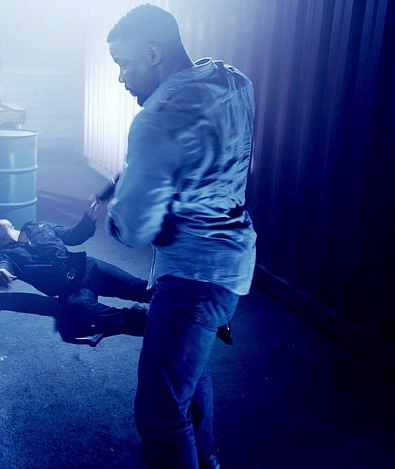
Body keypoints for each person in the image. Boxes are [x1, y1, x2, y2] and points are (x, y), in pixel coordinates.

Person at [103, 4, 257, 469]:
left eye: (124, 64)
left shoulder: (155, 118)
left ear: (154, 53)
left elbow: (134, 228)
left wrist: (113, 210)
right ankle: (206, 459)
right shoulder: (234, 82)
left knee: (159, 410)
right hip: (234, 261)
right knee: (190, 378)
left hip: (192, 277)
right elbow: (202, 157)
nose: (121, 78)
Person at [0, 204, 152, 346]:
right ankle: (148, 320)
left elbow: (73, 236)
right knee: (81, 312)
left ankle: (163, 304)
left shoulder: (39, 226)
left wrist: (88, 219)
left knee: (142, 289)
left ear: (12, 224)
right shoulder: (6, 256)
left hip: (90, 268)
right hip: (70, 290)